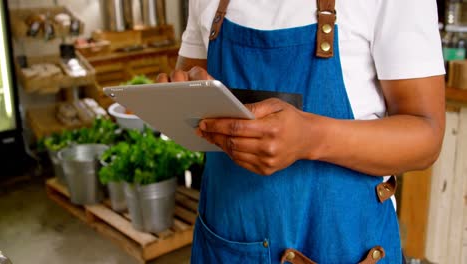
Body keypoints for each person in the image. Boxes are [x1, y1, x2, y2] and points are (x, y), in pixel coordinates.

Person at [156, 0, 445, 263]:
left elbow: (426, 135)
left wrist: (312, 138)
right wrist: (183, 93)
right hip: (227, 244)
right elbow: (192, 86)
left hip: (341, 247)